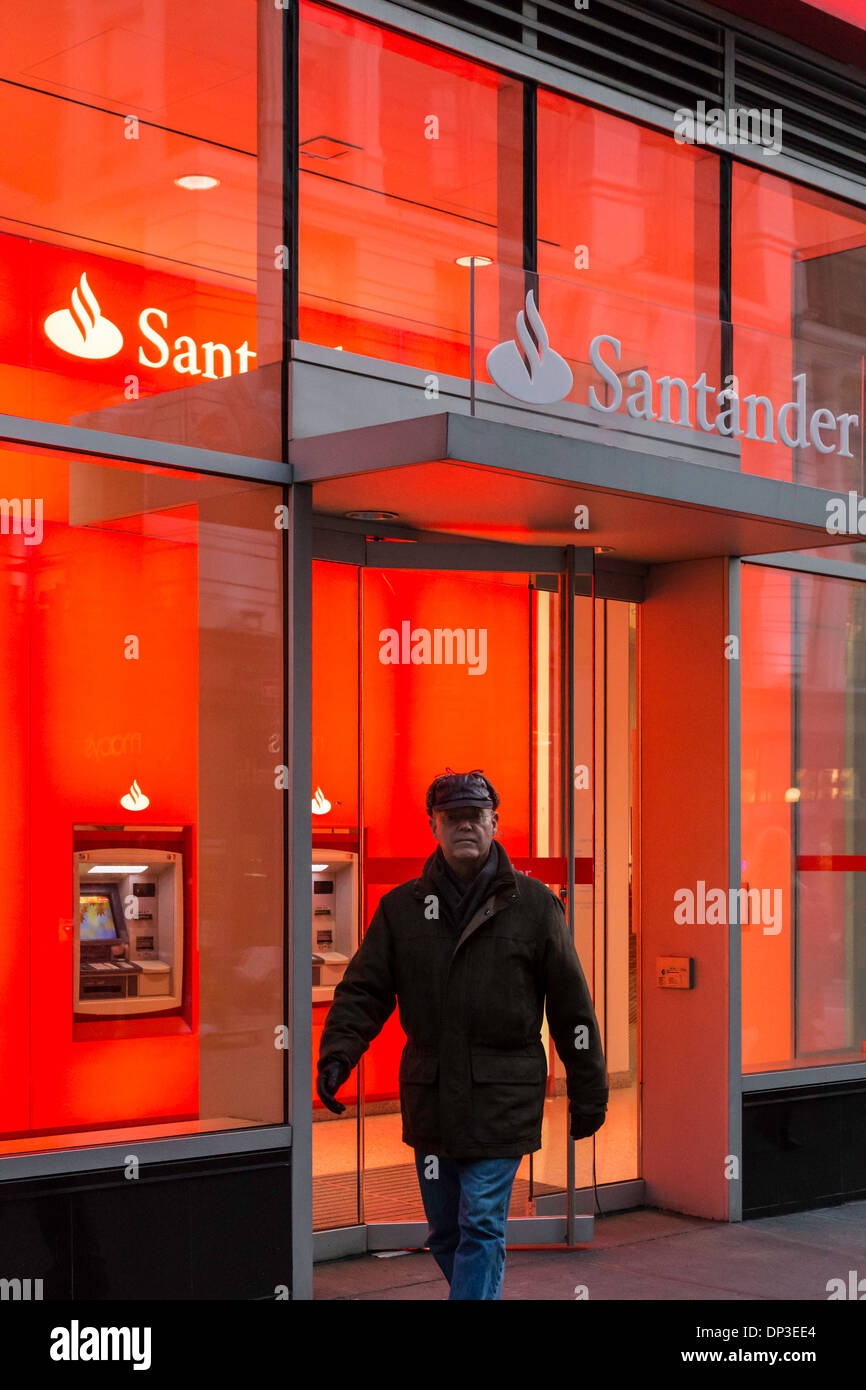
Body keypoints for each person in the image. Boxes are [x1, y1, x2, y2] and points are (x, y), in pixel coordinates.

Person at [317, 768, 608, 1300]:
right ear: (435, 826)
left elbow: (572, 1007)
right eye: (453, 818)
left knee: (480, 1224)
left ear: (494, 822)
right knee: (446, 1232)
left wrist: (589, 1090)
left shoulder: (535, 905)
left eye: (475, 816)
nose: (464, 827)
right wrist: (338, 1054)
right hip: (432, 1097)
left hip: (504, 1094)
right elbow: (364, 990)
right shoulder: (402, 909)